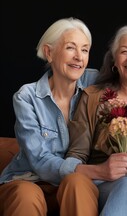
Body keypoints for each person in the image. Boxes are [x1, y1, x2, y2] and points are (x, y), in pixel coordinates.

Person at [0, 17, 99, 216]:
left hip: (73, 183)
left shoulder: (95, 82)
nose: (79, 57)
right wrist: (95, 170)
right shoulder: (26, 97)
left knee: (77, 183)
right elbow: (39, 160)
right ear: (49, 52)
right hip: (29, 178)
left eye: (85, 49)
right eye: (71, 48)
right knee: (26, 196)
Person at [65, 22, 127, 216]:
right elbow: (75, 156)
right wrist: (101, 170)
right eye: (124, 52)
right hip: (106, 183)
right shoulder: (93, 97)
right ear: (114, 61)